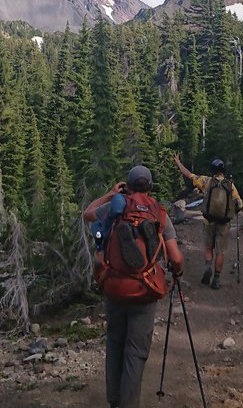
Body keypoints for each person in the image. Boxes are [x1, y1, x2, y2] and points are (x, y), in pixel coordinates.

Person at [83, 165, 184, 408]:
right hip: (144, 290)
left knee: (115, 342)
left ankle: (114, 400)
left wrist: (110, 193)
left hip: (115, 286)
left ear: (128, 186)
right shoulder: (159, 213)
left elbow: (87, 213)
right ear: (150, 187)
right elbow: (176, 258)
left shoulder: (116, 207)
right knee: (136, 351)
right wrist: (177, 272)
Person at [172, 153, 243, 290]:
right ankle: (216, 279)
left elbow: (188, 174)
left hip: (208, 221)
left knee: (209, 247)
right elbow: (239, 204)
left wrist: (178, 162)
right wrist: (233, 212)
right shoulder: (230, 186)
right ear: (223, 171)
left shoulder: (206, 181)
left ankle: (208, 267)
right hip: (224, 223)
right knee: (220, 252)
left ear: (212, 170)